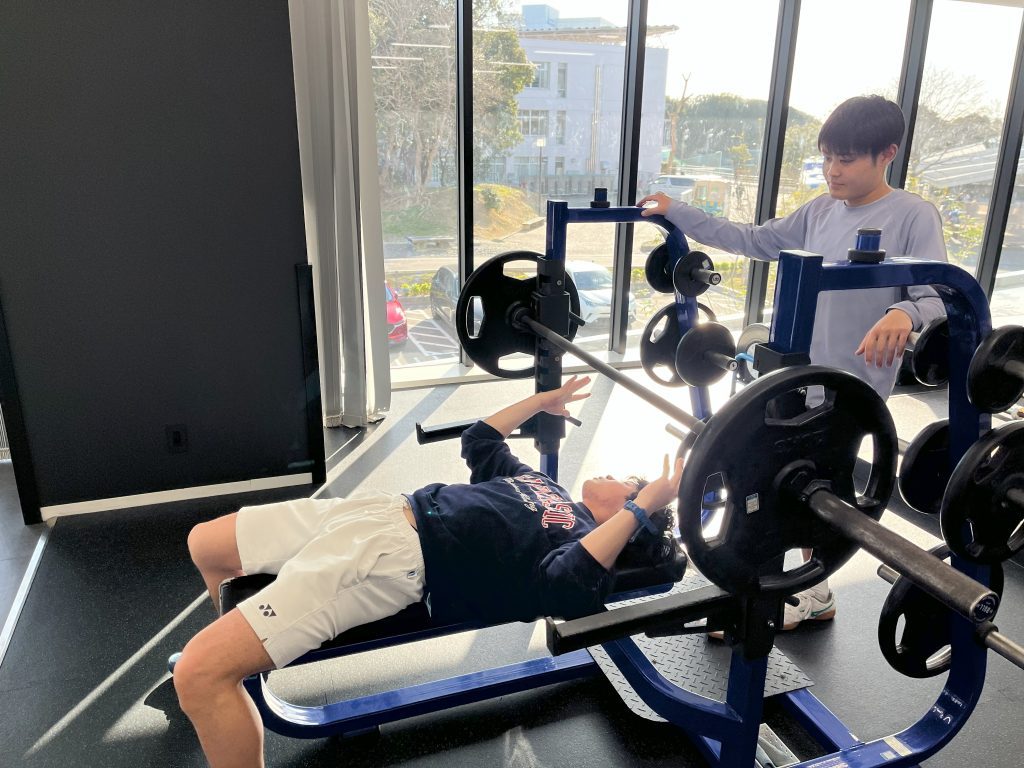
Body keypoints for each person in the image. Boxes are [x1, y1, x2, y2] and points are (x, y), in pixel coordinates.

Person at [172, 374, 684, 768]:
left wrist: (643, 509)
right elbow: (480, 441)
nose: (612, 474)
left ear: (630, 510)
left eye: (627, 482)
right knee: (206, 544)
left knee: (199, 674)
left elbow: (566, 587)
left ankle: (219, 678)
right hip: (378, 509)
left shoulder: (582, 550)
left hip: (388, 558)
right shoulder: (549, 490)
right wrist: (540, 401)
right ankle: (233, 661)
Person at [638, 94, 948, 633]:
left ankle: (812, 593)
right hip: (790, 372)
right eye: (827, 157)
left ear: (887, 154)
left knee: (815, 486)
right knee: (770, 474)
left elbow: (940, 296)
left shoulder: (912, 215)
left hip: (848, 388)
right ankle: (765, 582)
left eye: (846, 159)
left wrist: (904, 311)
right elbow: (752, 239)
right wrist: (676, 212)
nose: (832, 171)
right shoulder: (819, 211)